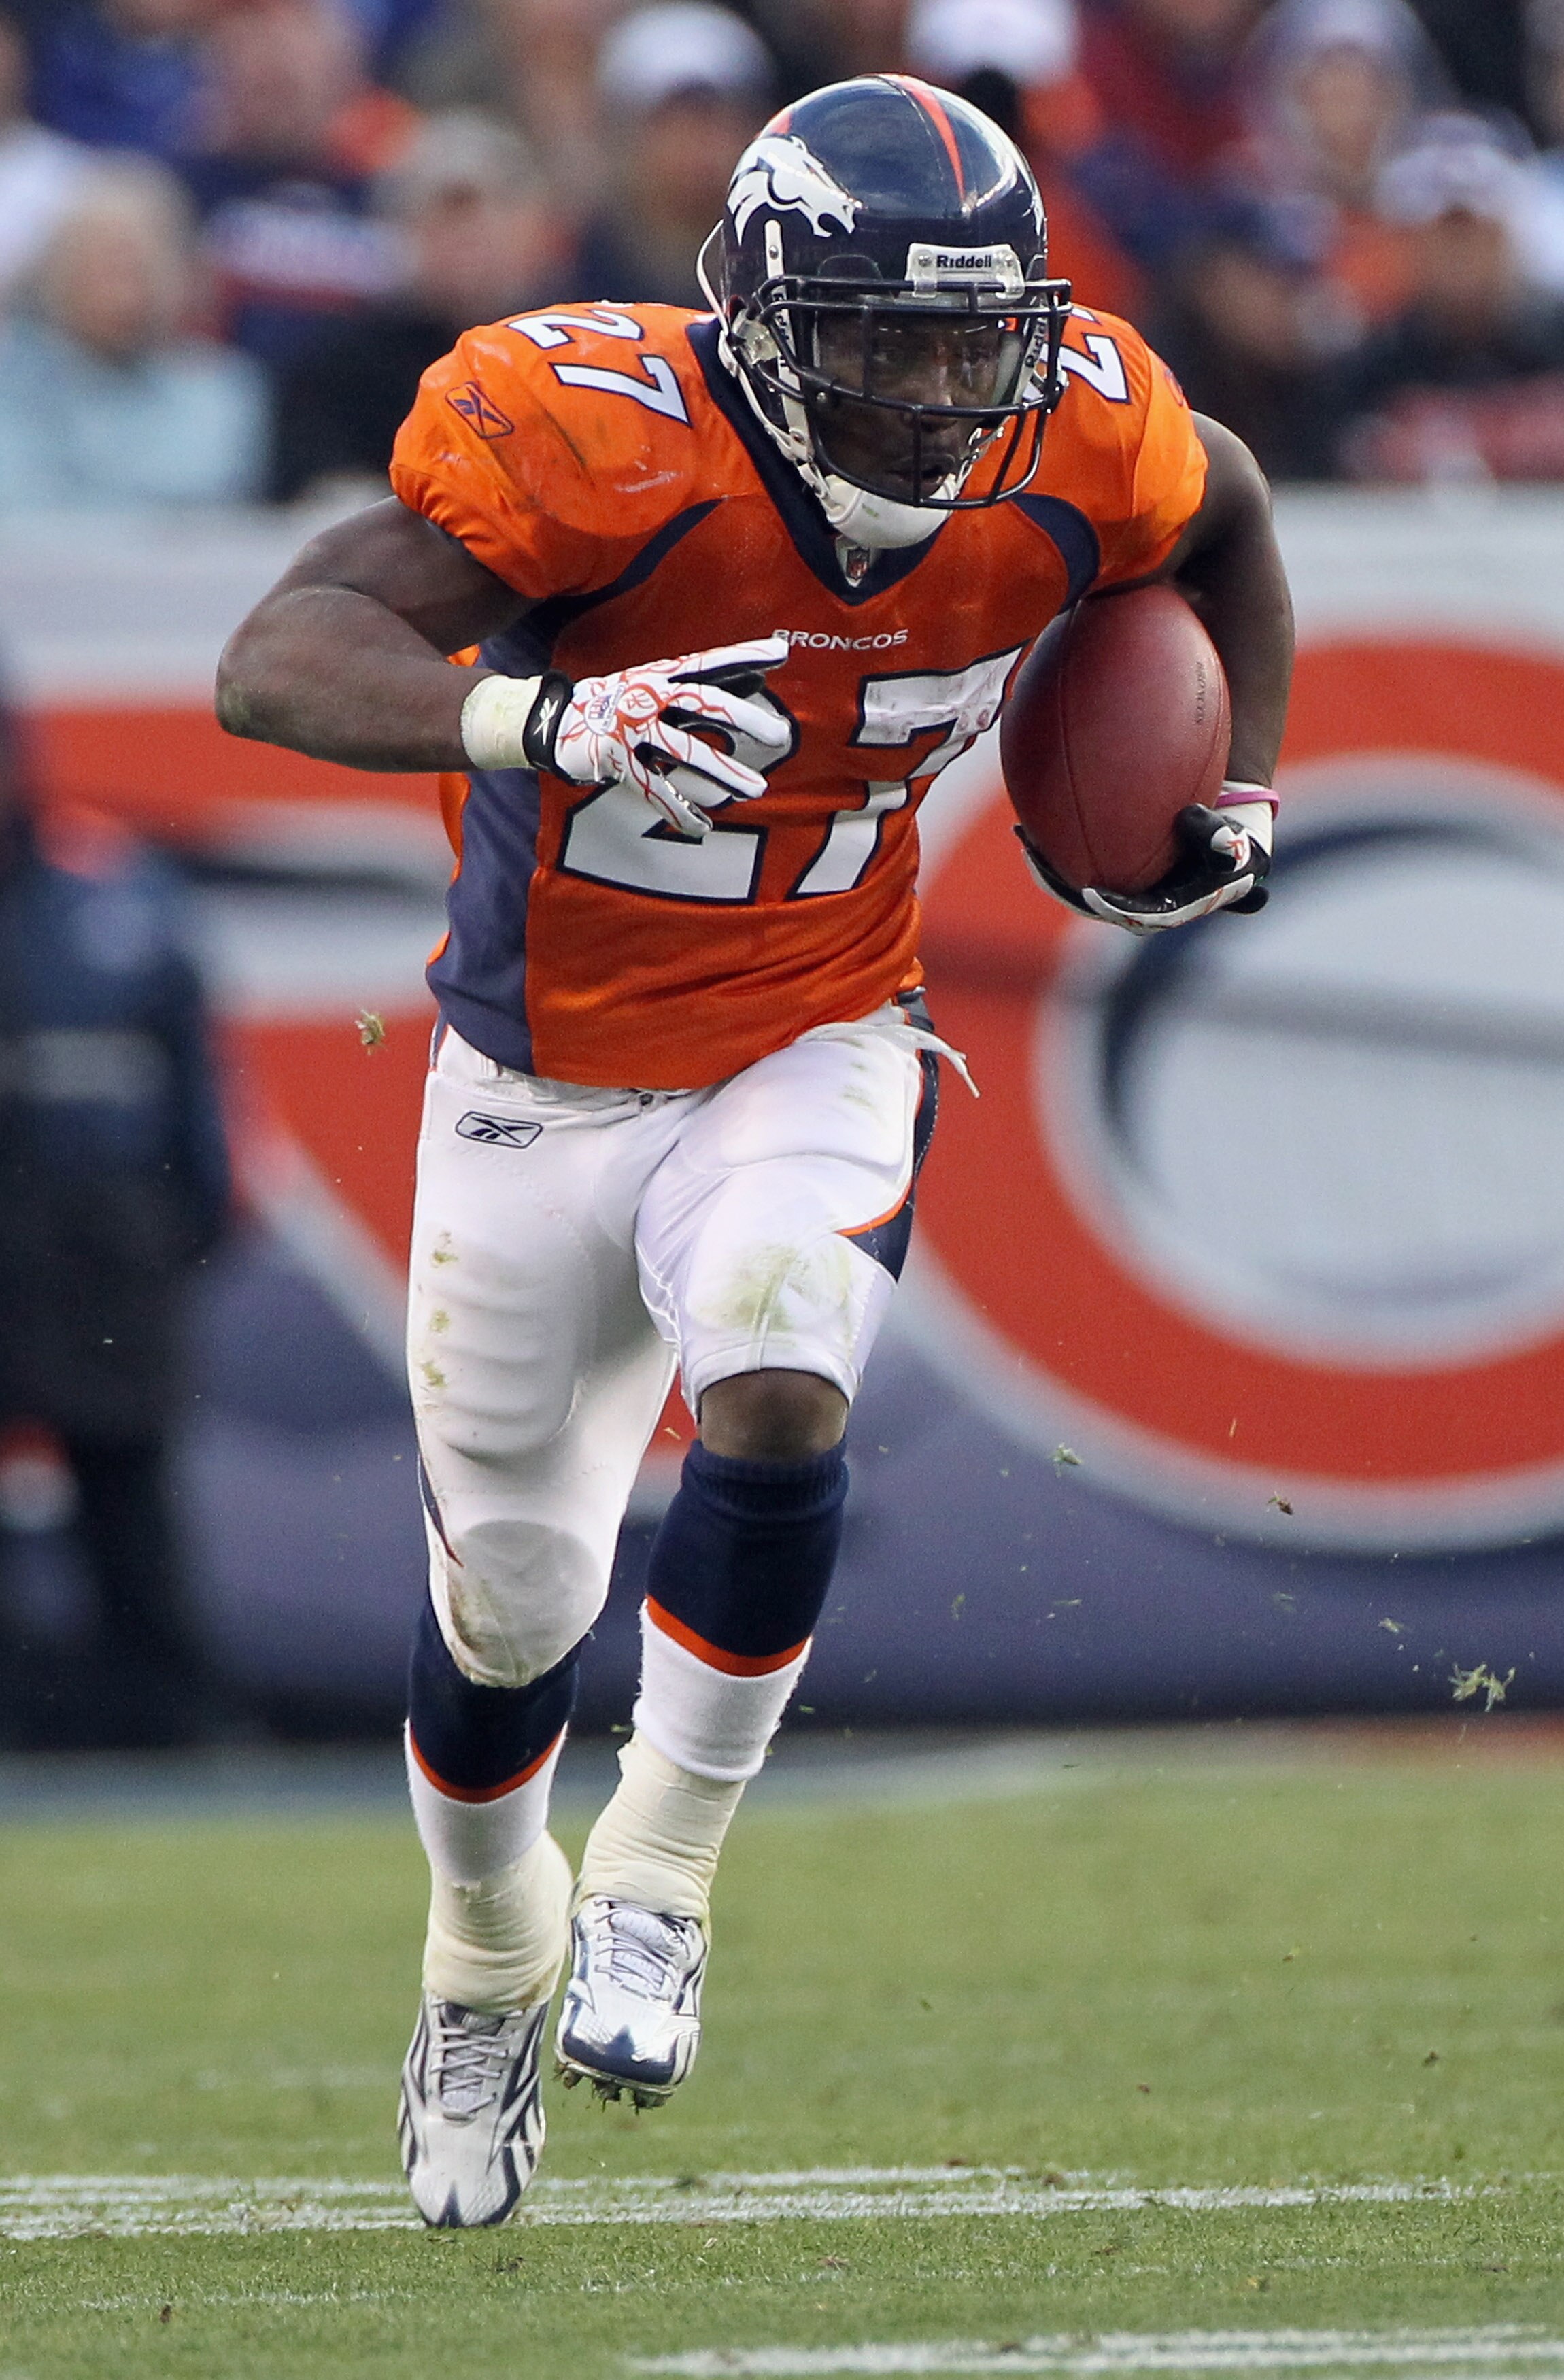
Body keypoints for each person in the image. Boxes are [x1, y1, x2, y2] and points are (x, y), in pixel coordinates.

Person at [216, 71, 1293, 2228]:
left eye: (971, 341)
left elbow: (1233, 515)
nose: (938, 393)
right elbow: (275, 658)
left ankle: (660, 1877)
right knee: (512, 1608)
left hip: (814, 1027)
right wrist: (536, 713)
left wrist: (1238, 786)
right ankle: (482, 1953)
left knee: (783, 1368)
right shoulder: (596, 431)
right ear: (765, 314)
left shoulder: (1078, 428)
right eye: (886, 339)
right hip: (529, 1082)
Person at [0, 711, 232, 1746]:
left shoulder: (115, 887)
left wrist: (189, 1222)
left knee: (126, 1478)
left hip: (101, 1237)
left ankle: (171, 1725)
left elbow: (194, 1081)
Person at [269, 109, 560, 502]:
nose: (468, 235)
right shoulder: (338, 369)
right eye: (445, 215)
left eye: (494, 209)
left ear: (538, 228)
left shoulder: (579, 350)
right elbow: (320, 494)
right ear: (399, 227)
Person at [0, 157, 268, 511]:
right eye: (99, 265)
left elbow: (210, 491)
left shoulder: (223, 394)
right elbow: (21, 499)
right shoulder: (12, 387)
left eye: (137, 266)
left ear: (180, 275)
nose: (120, 291)